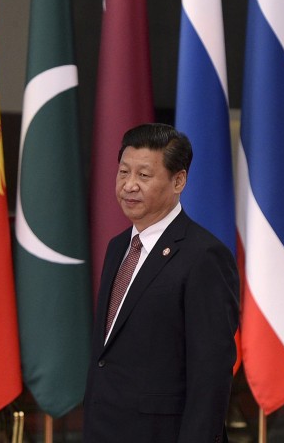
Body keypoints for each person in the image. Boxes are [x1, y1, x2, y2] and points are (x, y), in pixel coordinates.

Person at [83, 123, 240, 443]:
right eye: (123, 172)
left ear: (178, 180)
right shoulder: (118, 247)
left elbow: (210, 374)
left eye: (143, 175)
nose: (129, 185)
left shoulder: (204, 256)